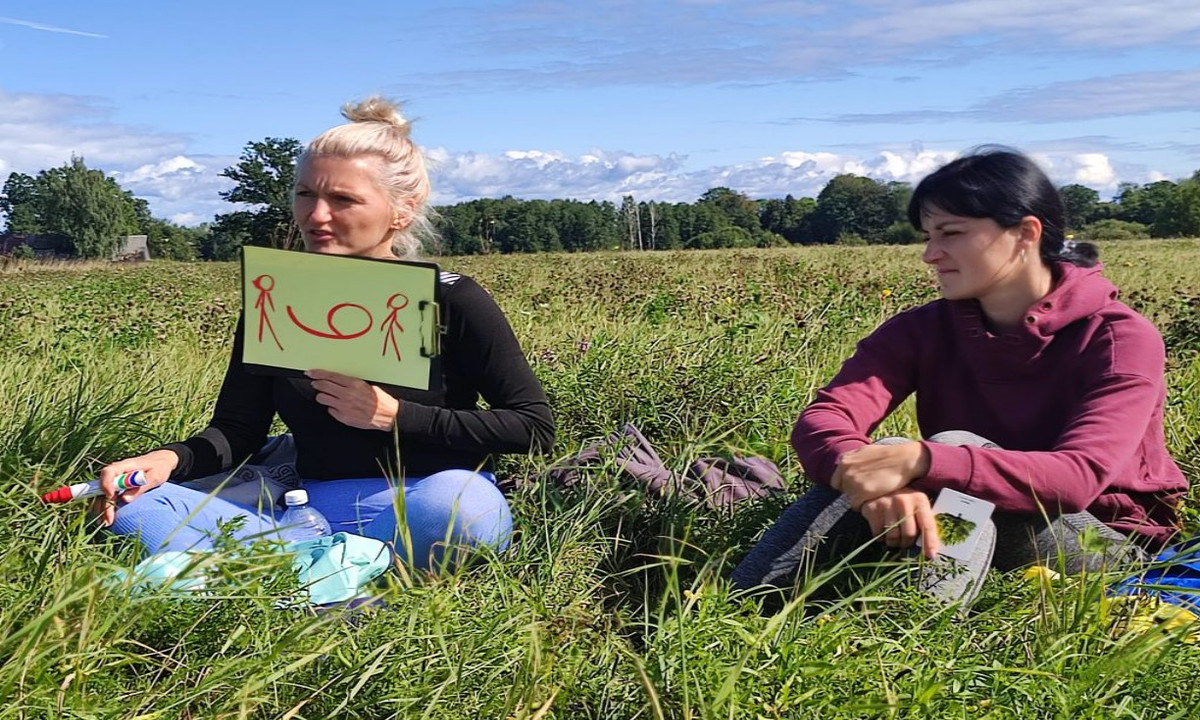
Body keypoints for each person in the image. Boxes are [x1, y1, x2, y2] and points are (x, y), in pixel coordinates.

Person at [96, 97, 554, 570]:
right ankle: (336, 573)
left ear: (402, 210)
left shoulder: (448, 297)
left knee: (459, 509)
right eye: (305, 194)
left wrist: (395, 416)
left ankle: (285, 575)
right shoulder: (277, 297)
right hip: (309, 511)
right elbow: (237, 431)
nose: (315, 216)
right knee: (131, 506)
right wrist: (166, 460)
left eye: (343, 199)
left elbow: (532, 428)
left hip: (423, 502)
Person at [732, 148, 1187, 605]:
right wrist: (874, 487)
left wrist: (924, 463)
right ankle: (746, 606)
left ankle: (921, 636)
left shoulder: (1119, 337)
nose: (931, 255)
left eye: (950, 233)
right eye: (928, 236)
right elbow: (826, 417)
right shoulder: (923, 329)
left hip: (1103, 545)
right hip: (966, 514)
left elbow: (1076, 478)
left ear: (1025, 233)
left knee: (937, 449)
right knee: (887, 458)